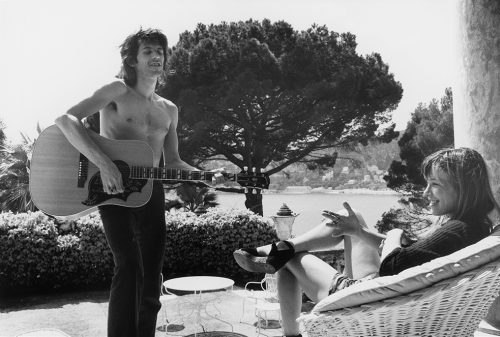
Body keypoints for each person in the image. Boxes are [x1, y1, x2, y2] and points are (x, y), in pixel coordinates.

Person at [55, 28, 222, 337]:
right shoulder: (116, 90)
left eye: (160, 51)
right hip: (111, 190)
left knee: (151, 276)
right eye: (147, 51)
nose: (156, 56)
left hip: (151, 192)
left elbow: (171, 161)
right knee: (128, 265)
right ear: (132, 59)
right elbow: (66, 120)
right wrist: (104, 164)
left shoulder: (169, 109)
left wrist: (204, 176)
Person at [233, 147, 499, 337]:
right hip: (391, 293)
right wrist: (358, 232)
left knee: (292, 259)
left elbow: (394, 264)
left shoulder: (457, 230)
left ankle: (283, 253)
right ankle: (282, 248)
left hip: (364, 298)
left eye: (435, 184)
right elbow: (412, 257)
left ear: (462, 189)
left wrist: (394, 233)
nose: (426, 192)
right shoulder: (476, 226)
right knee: (354, 219)